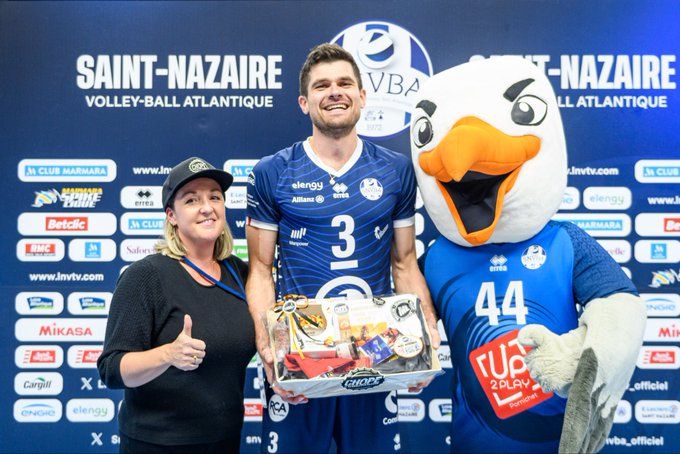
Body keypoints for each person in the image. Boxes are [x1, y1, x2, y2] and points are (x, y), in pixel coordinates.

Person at [246, 43, 441, 454]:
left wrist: (425, 338)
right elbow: (261, 270)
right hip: (300, 352)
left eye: (344, 83)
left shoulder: (395, 169)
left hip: (375, 352)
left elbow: (405, 262)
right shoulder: (272, 172)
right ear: (304, 102)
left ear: (362, 96)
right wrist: (268, 348)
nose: (334, 91)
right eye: (321, 86)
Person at [98, 157, 255, 453]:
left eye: (215, 197)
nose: (207, 207)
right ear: (171, 215)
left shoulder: (240, 273)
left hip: (224, 439)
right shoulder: (145, 276)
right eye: (191, 200)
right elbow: (112, 370)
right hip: (159, 443)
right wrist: (168, 354)